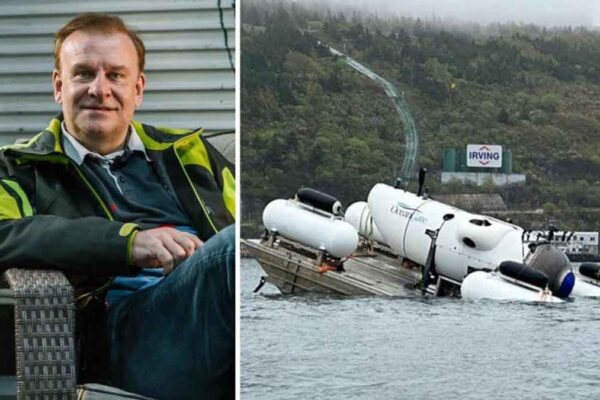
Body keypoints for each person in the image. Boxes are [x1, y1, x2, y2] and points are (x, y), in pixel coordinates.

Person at [0, 13, 235, 400]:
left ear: (138, 89)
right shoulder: (20, 167)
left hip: (210, 311)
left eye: (116, 75)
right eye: (84, 74)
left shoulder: (190, 153)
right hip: (120, 334)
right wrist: (127, 243)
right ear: (59, 86)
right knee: (227, 253)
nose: (100, 88)